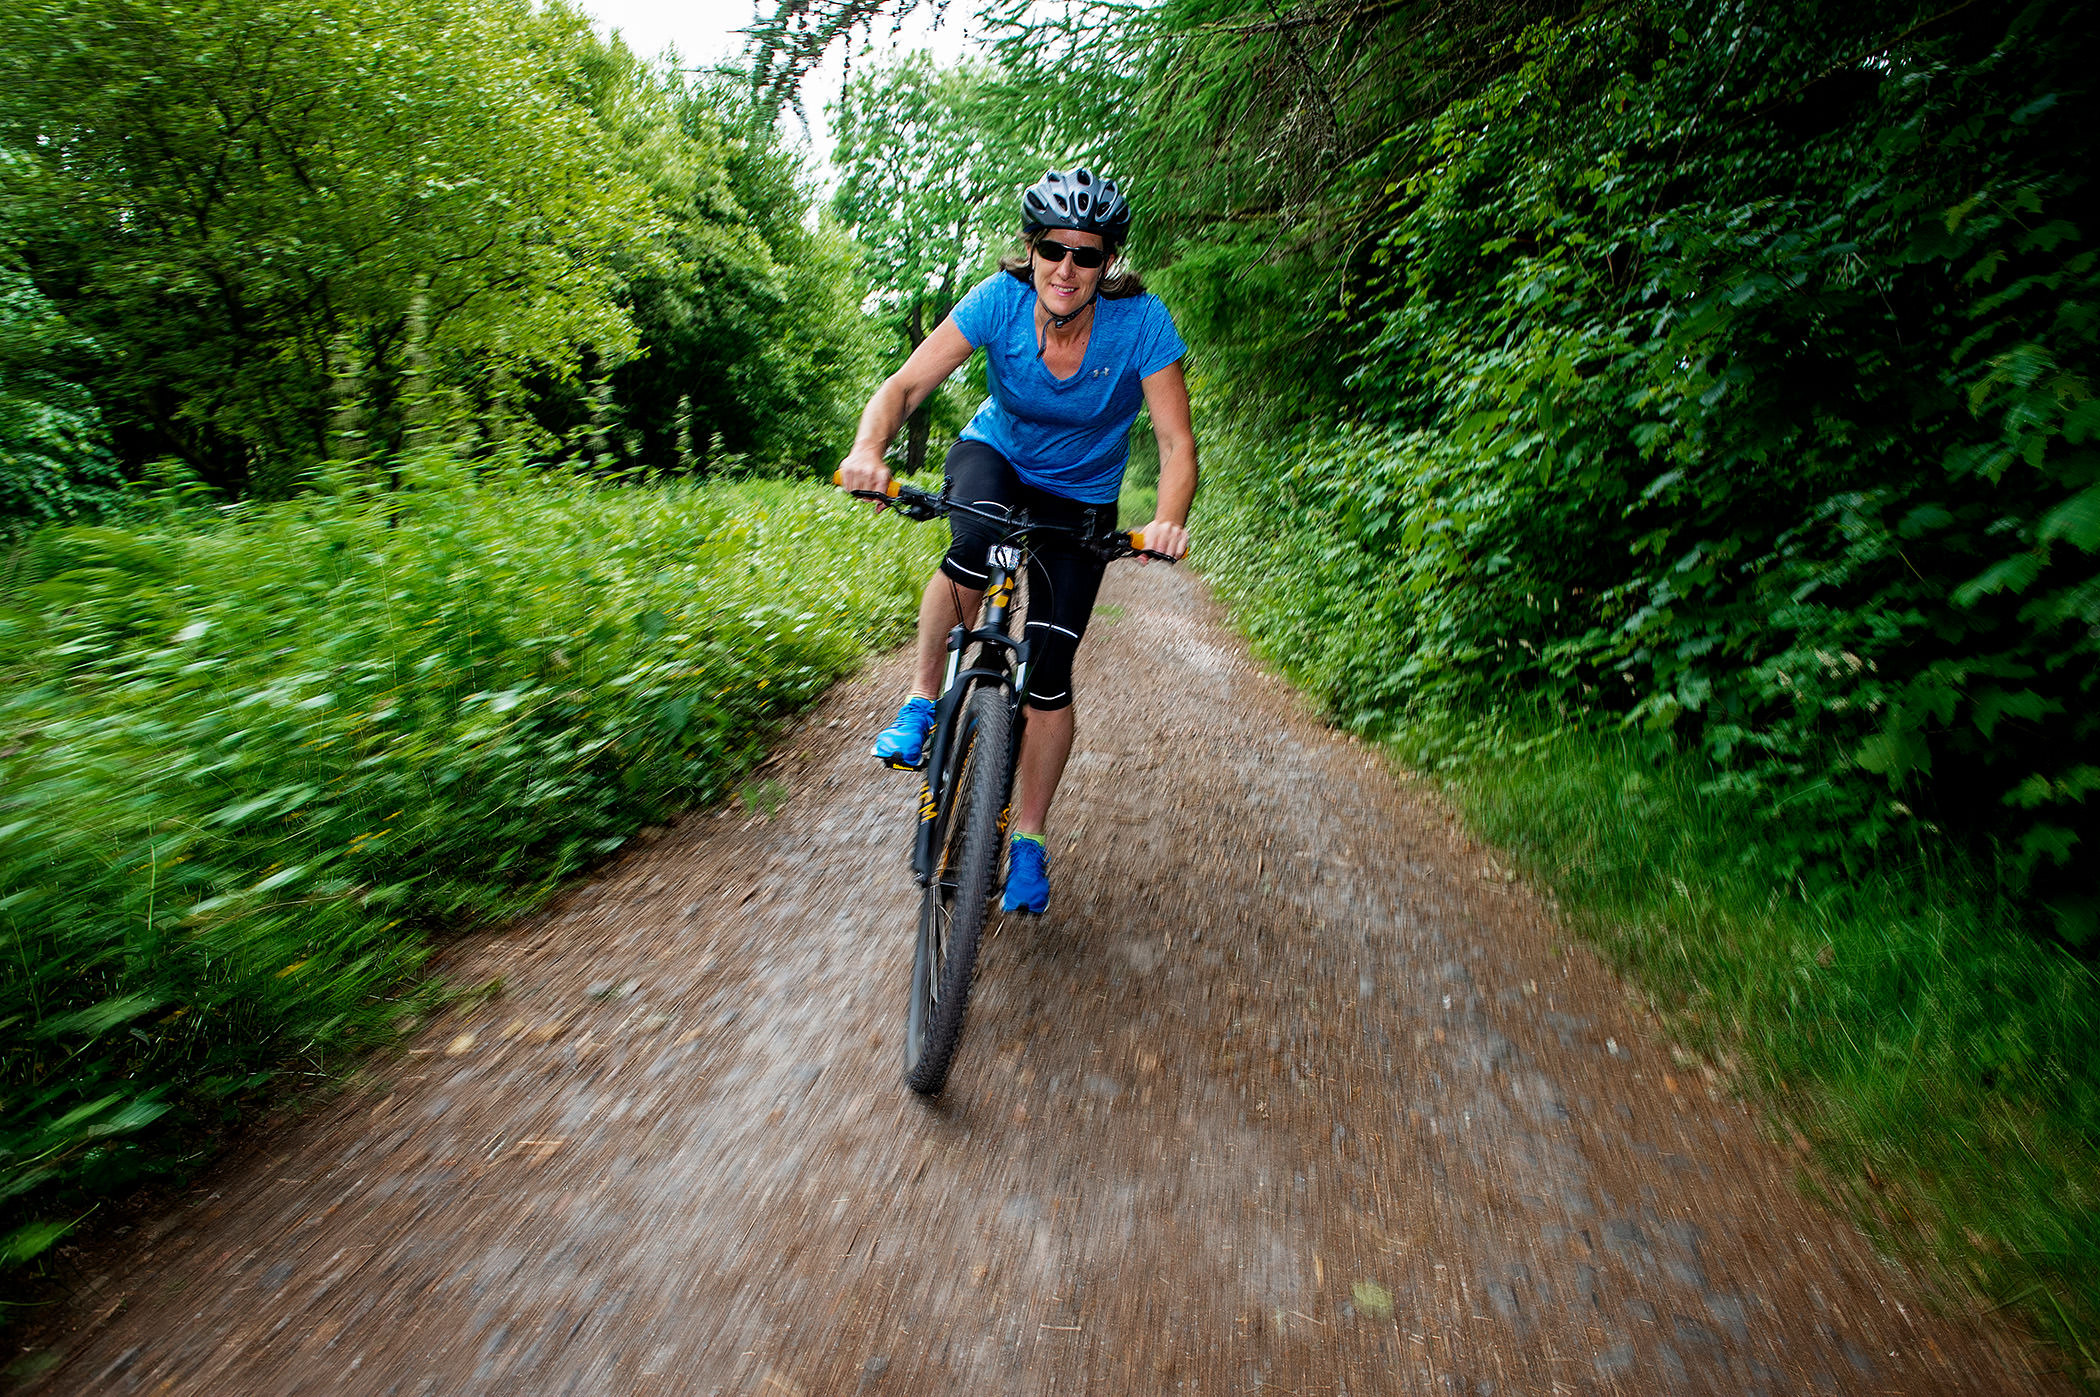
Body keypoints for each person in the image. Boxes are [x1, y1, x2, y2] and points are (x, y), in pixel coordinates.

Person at [834, 167, 1197, 917]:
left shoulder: (1142, 325)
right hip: (995, 455)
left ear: (1109, 262)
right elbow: (905, 387)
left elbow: (1174, 442)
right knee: (972, 540)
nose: (1068, 268)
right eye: (1054, 249)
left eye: (1087, 254)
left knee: (1052, 670)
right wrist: (870, 450)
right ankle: (923, 698)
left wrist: (1167, 517)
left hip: (1081, 496)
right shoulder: (998, 301)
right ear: (1031, 249)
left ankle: (1027, 837)